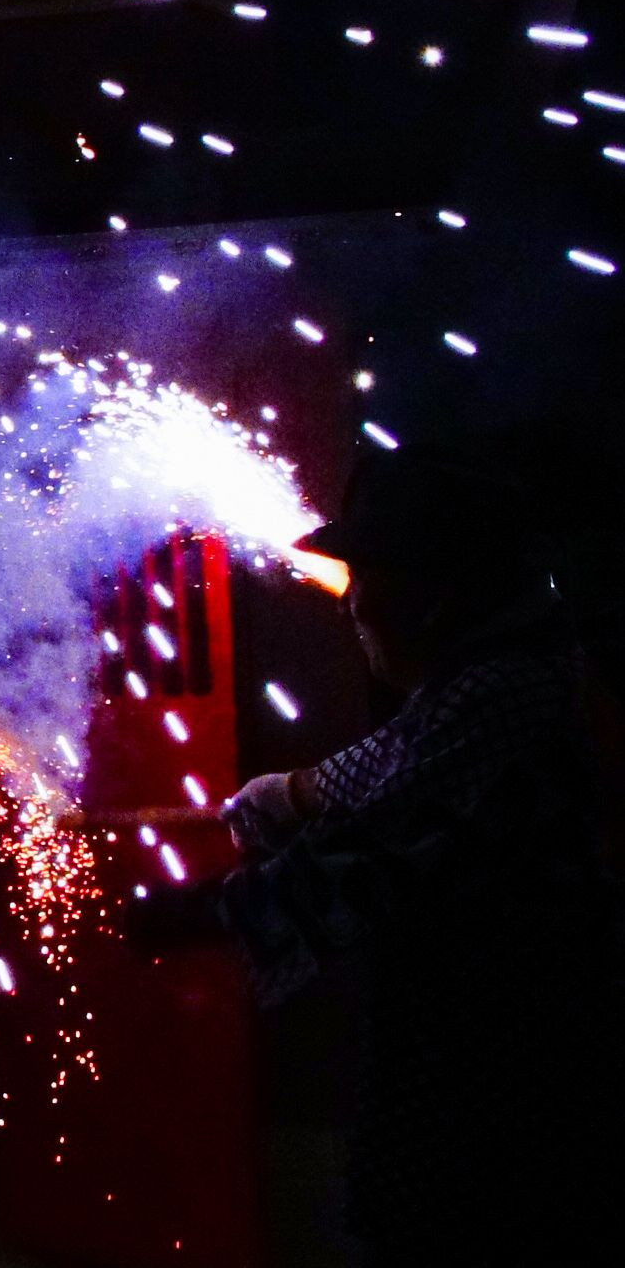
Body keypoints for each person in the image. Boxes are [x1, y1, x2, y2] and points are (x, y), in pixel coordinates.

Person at [156, 450, 624, 1263]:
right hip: (481, 1079)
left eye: (369, 575)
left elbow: (379, 852)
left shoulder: (506, 689)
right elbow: (396, 756)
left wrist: (189, 909)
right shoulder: (500, 672)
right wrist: (291, 793)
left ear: (434, 593)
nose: (353, 601)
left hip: (508, 1091)